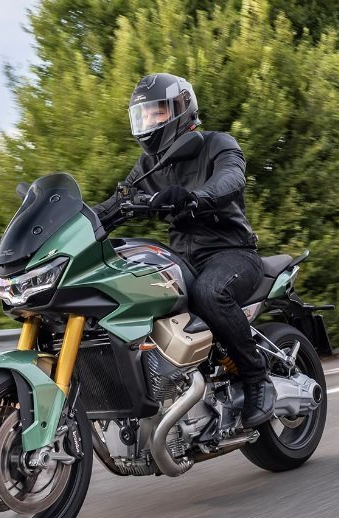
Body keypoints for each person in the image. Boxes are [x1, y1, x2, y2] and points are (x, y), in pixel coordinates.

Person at [93, 73, 275, 429]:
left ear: (182, 108)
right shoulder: (148, 166)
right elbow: (115, 204)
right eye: (144, 115)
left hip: (231, 253)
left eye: (157, 112)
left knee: (210, 292)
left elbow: (231, 178)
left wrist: (195, 197)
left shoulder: (217, 144)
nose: (150, 121)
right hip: (182, 261)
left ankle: (257, 377)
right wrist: (73, 223)